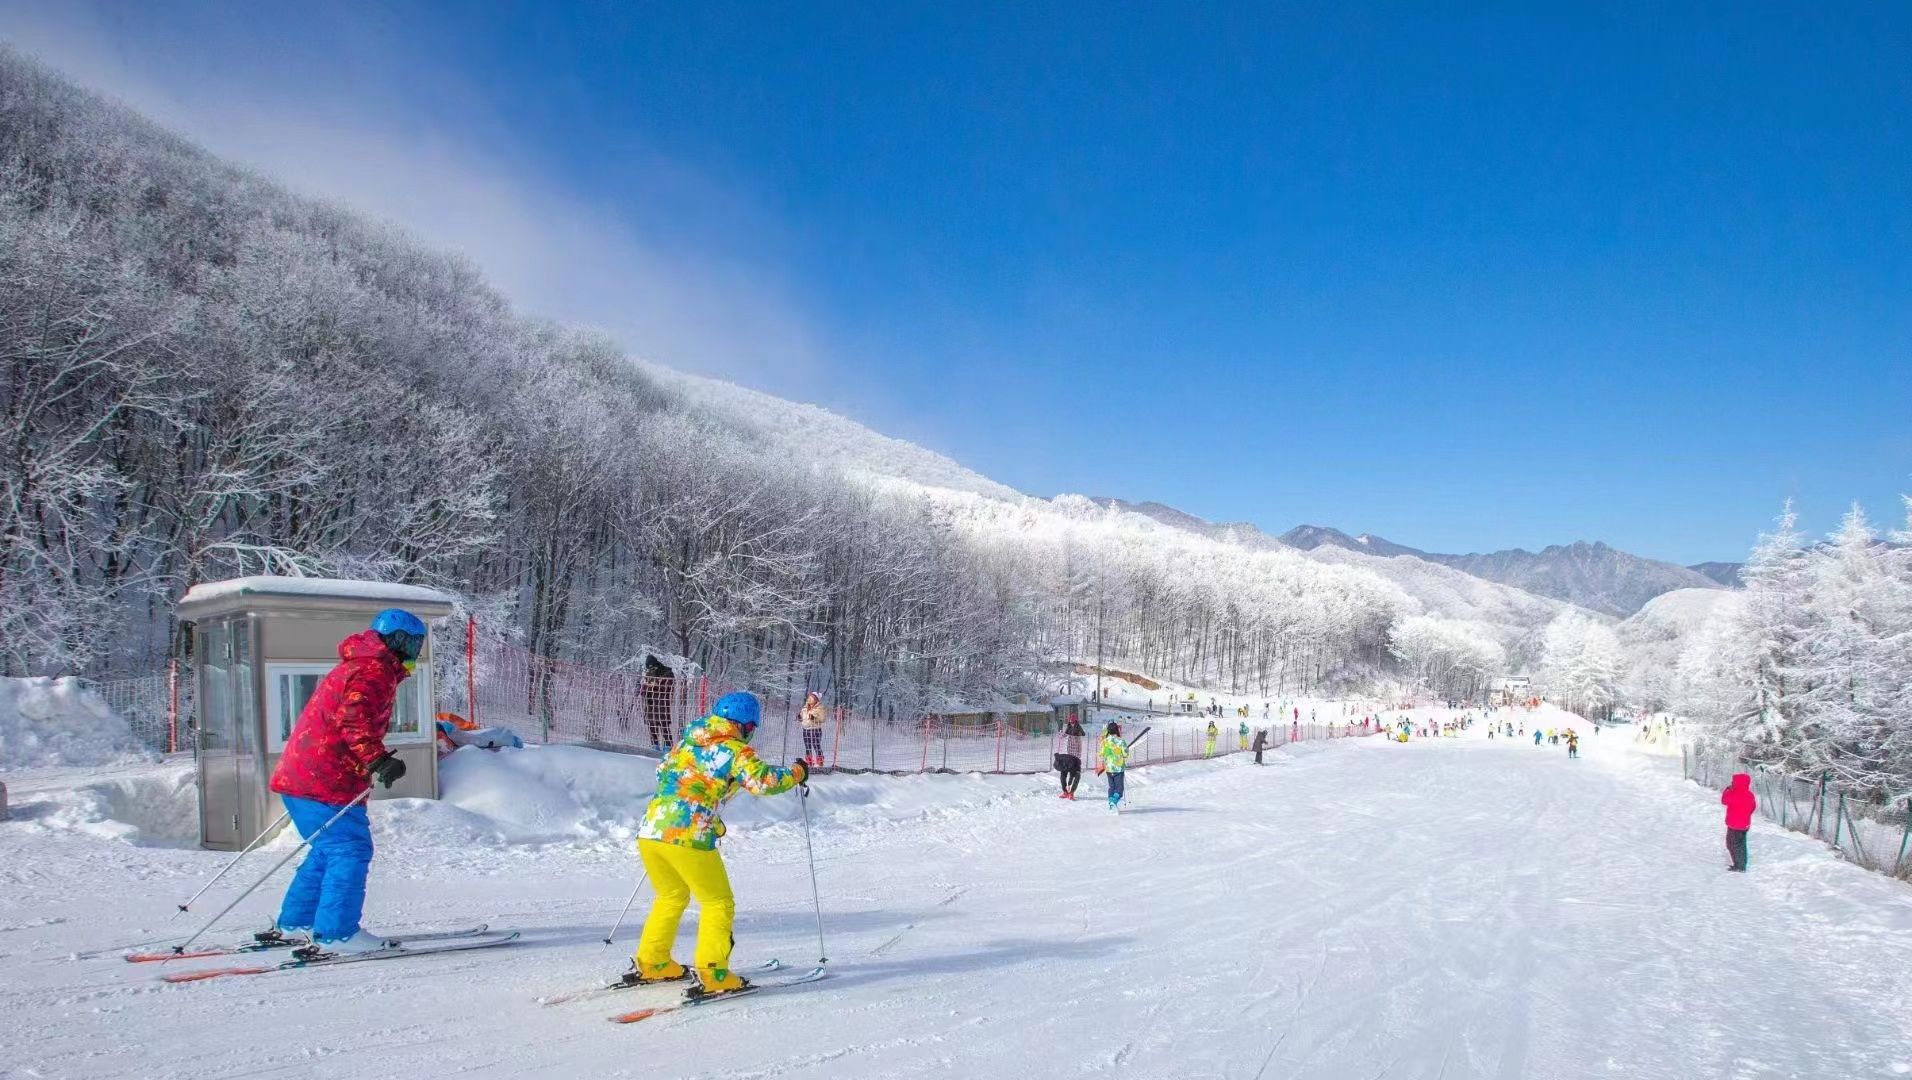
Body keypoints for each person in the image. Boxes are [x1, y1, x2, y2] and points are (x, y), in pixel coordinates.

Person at [627, 691, 807, 999]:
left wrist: (705, 812)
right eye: (751, 729)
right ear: (747, 725)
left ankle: (653, 962)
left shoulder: (686, 743)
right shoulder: (734, 749)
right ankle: (714, 972)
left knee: (671, 895)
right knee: (717, 902)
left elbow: (665, 774)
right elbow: (763, 782)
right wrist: (798, 772)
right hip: (688, 836)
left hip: (651, 829)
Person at [267, 609, 425, 956]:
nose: (414, 651)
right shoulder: (374, 670)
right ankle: (337, 933)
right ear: (395, 640)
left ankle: (298, 923)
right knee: (349, 849)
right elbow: (354, 719)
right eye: (411, 643)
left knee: (327, 850)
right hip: (326, 778)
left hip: (304, 775)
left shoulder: (362, 663)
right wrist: (377, 758)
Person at [1722, 772, 1756, 872]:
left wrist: (1727, 789)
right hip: (1744, 824)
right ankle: (1741, 864)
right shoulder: (1750, 795)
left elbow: (1724, 800)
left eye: (1733, 782)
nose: (1732, 783)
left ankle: (1739, 866)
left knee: (1731, 844)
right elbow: (1752, 808)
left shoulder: (1733, 793)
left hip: (1734, 825)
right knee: (1741, 845)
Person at [1098, 721, 1129, 810]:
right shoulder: (1121, 741)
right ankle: (1114, 801)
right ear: (1117, 730)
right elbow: (1126, 754)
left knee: (1112, 787)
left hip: (1109, 768)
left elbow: (1101, 754)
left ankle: (1111, 803)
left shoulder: (1105, 741)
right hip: (1118, 768)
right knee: (1119, 789)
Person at [1055, 715, 1085, 800]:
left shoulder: (1078, 728)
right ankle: (1065, 791)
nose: (1071, 723)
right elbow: (1065, 734)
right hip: (1069, 753)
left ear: (1076, 722)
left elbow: (1083, 733)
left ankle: (1071, 793)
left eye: (1073, 722)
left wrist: (1078, 734)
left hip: (1076, 755)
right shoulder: (1068, 727)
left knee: (1075, 774)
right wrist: (1061, 735)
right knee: (1063, 772)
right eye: (1070, 722)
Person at [798, 691, 827, 767]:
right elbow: (802, 716)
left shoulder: (820, 708)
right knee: (807, 746)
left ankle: (820, 761)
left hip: (815, 730)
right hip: (806, 729)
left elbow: (823, 718)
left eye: (812, 698)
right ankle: (809, 762)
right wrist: (799, 717)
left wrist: (814, 718)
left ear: (816, 700)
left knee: (816, 745)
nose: (810, 699)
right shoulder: (805, 708)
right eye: (809, 697)